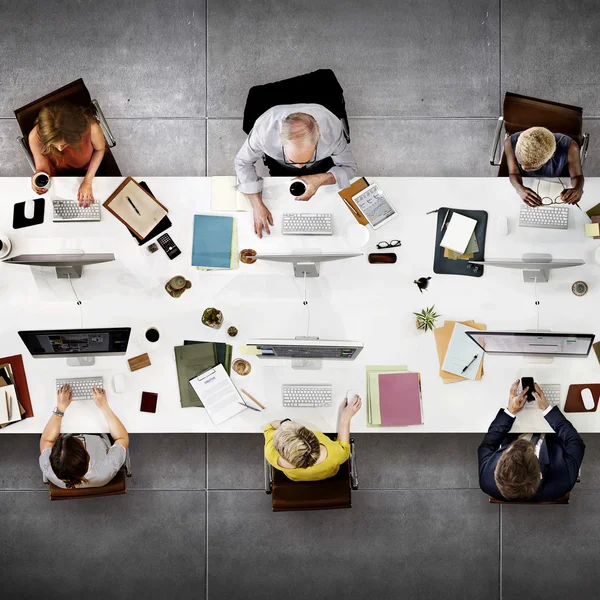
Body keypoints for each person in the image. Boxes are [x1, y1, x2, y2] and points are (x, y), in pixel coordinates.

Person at [235, 104, 358, 238]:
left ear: (318, 140)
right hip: (279, 165)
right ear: (281, 143)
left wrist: (319, 179)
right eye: (293, 160)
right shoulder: (264, 133)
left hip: (319, 165)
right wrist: (257, 205)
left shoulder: (332, 132)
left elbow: (349, 168)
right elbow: (242, 162)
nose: (300, 168)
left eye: (307, 159)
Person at [478, 380, 585, 502]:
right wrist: (547, 410)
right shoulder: (564, 479)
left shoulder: (487, 479)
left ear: (496, 470)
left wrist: (510, 412)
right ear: (540, 474)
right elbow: (575, 442)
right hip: (551, 435)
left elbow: (487, 446)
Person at [39, 385, 129, 489]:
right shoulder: (105, 469)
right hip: (98, 437)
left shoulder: (48, 467)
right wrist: (104, 405)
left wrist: (60, 409)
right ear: (87, 456)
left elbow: (46, 440)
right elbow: (122, 438)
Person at [264, 393, 361, 481]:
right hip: (328, 474)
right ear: (313, 437)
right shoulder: (335, 453)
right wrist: (345, 417)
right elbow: (344, 448)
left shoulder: (271, 454)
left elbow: (269, 427)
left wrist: (284, 423)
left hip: (295, 477)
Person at [29, 101, 107, 207]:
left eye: (65, 144)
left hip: (86, 167)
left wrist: (88, 180)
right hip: (57, 172)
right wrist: (38, 179)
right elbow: (42, 168)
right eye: (54, 145)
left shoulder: (91, 128)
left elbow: (100, 149)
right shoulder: (35, 137)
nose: (60, 149)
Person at [504, 126, 584, 207]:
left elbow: (577, 176)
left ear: (550, 157)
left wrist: (578, 188)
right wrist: (519, 189)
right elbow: (513, 173)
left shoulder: (571, 148)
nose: (523, 168)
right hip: (527, 182)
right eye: (520, 162)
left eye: (532, 167)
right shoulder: (509, 143)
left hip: (557, 183)